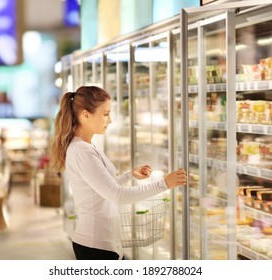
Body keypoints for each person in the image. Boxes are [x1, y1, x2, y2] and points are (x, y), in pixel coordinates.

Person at [51, 86, 187, 260]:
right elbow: (117, 196)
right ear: (85, 115)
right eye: (105, 114)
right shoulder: (82, 151)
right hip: (95, 245)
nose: (110, 120)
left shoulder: (87, 145)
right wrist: (165, 184)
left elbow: (101, 189)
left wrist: (130, 175)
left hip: (102, 242)